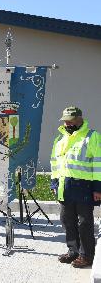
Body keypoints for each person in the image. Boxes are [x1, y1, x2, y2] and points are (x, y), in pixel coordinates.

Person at [50, 106, 101, 268]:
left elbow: (98, 164)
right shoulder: (59, 139)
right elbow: (54, 163)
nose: (67, 123)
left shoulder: (91, 136)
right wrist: (54, 183)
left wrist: (98, 188)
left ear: (79, 119)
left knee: (84, 223)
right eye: (65, 120)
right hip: (64, 187)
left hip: (84, 187)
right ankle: (73, 251)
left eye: (70, 120)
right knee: (67, 220)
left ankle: (87, 256)